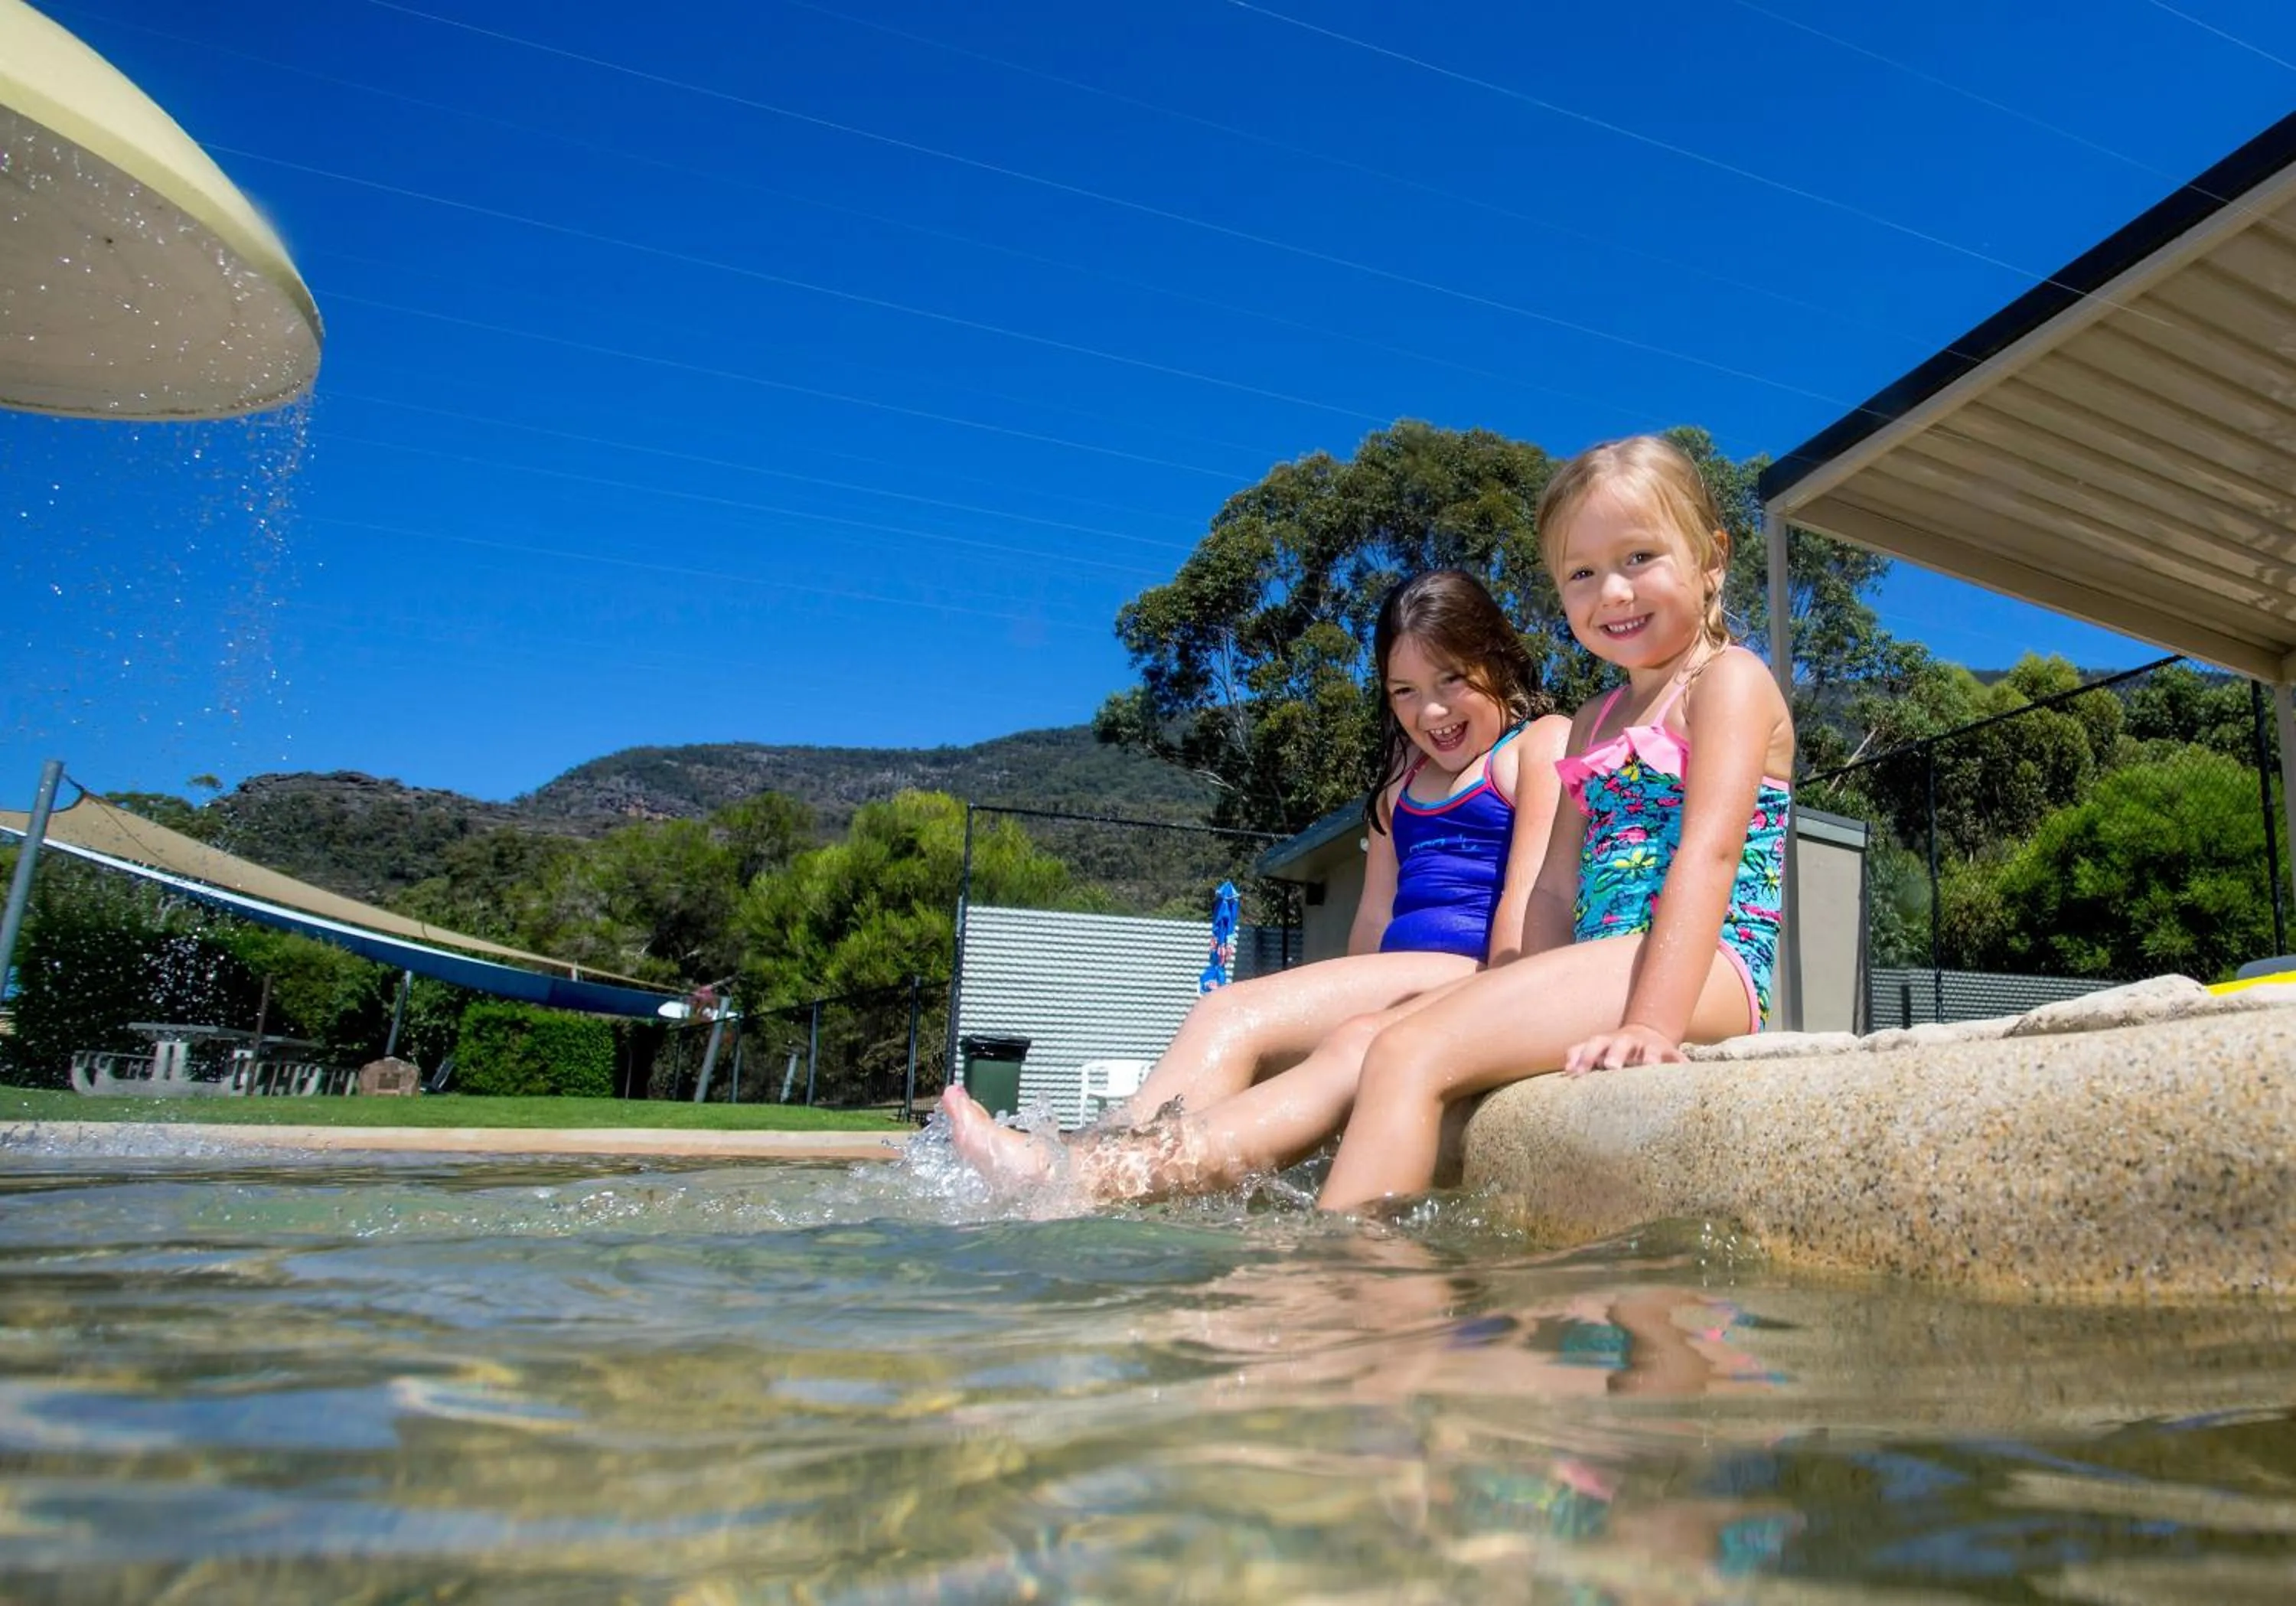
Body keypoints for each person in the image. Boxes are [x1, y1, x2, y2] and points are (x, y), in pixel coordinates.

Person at [939, 566, 1572, 1198]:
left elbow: (1529, 895)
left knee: (1236, 1013)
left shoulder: (1534, 746)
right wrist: (1341, 1012)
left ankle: (1075, 1172)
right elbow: (1373, 921)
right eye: (1403, 691)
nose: (1430, 711)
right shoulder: (1399, 785)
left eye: (1451, 679)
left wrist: (1506, 1012)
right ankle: (1079, 1163)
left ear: (1498, 657)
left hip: (1481, 973)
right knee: (1225, 1012)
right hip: (1405, 979)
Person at [1314, 433, 1795, 1211]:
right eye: (1582, 573)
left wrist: (1651, 1026)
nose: (1613, 591)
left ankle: (1353, 1269)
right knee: (1366, 1039)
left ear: (1712, 559)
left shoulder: (1728, 681)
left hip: (1709, 969)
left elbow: (1709, 855)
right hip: (1605, 964)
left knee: (1409, 1050)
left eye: (1639, 556)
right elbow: (1552, 890)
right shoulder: (1593, 722)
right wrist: (1520, 1000)